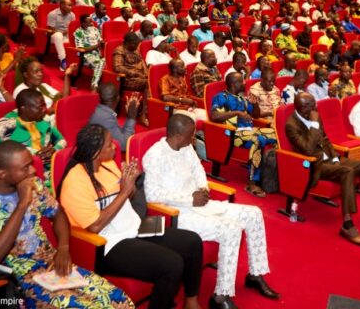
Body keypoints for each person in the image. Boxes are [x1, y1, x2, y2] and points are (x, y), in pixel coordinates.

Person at [0, 141, 134, 309]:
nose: (33, 170)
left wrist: (63, 247)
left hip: (53, 266)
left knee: (120, 300)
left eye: (31, 164)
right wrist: (22, 204)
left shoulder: (35, 185)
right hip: (21, 280)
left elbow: (58, 214)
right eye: (25, 167)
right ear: (2, 174)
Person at [59, 124, 204, 309]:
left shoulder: (108, 165)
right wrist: (124, 192)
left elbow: (130, 195)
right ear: (96, 153)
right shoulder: (74, 181)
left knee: (192, 241)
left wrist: (131, 182)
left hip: (132, 226)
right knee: (172, 264)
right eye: (109, 144)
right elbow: (95, 226)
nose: (115, 146)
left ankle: (191, 301)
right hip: (108, 242)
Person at [144, 113, 279, 309]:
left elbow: (198, 170)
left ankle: (255, 274)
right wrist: (189, 199)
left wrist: (203, 188)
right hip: (178, 214)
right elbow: (152, 195)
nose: (193, 138)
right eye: (190, 135)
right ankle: (220, 297)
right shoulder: (155, 155)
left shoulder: (186, 147)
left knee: (254, 213)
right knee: (230, 229)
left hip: (201, 204)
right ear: (178, 136)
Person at [285, 92, 360, 247]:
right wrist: (314, 125)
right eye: (310, 105)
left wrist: (335, 159)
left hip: (331, 160)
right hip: (314, 165)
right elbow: (308, 149)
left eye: (314, 102)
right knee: (347, 171)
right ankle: (347, 225)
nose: (315, 106)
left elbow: (325, 140)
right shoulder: (291, 125)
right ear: (300, 108)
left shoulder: (314, 115)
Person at [210, 73, 277, 197]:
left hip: (249, 130)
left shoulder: (243, 98)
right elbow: (214, 116)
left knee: (276, 135)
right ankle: (252, 182)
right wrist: (236, 113)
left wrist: (255, 103)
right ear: (233, 84)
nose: (245, 83)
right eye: (241, 81)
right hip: (233, 133)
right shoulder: (221, 97)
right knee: (258, 140)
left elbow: (256, 115)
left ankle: (271, 176)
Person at [0, 89, 67, 166]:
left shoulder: (45, 119)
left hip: (48, 167)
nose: (44, 110)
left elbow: (62, 141)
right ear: (23, 108)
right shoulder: (5, 125)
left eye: (44, 105)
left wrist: (54, 150)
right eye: (40, 107)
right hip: (19, 169)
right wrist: (31, 157)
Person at [88, 83, 140, 151]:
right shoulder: (106, 118)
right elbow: (124, 145)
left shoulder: (102, 111)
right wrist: (131, 118)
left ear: (99, 98)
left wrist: (129, 116)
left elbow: (120, 134)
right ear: (118, 98)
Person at [112, 32, 149, 108]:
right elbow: (117, 67)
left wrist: (146, 74)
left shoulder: (135, 50)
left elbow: (141, 62)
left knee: (152, 81)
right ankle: (144, 111)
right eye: (135, 44)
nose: (137, 46)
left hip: (139, 77)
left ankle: (145, 107)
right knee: (148, 83)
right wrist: (134, 73)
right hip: (127, 79)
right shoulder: (120, 50)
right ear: (128, 43)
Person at [74, 14, 105, 91]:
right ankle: (94, 85)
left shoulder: (95, 29)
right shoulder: (78, 32)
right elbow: (82, 49)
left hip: (97, 55)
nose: (91, 23)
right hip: (85, 56)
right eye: (89, 22)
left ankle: (98, 84)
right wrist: (97, 46)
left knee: (106, 62)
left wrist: (103, 43)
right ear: (82, 23)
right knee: (100, 63)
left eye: (91, 21)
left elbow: (100, 41)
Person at [47, 0, 75, 71]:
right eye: (69, 5)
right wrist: (62, 32)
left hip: (66, 36)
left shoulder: (72, 15)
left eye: (71, 5)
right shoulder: (53, 14)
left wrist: (69, 32)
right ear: (62, 5)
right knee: (58, 35)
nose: (71, 7)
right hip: (54, 37)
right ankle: (63, 60)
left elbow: (72, 28)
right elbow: (51, 30)